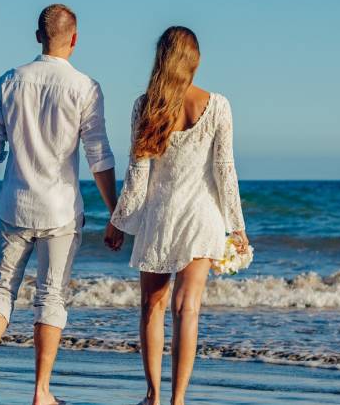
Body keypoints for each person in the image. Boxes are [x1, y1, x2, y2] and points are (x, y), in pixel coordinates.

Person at [0, 3, 124, 405]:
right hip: (60, 210)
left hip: (13, 204)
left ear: (38, 36)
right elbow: (99, 156)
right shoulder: (85, 87)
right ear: (74, 39)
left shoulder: (8, 81)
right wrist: (115, 212)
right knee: (51, 297)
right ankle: (41, 392)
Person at [109, 26, 249, 405]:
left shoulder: (146, 106)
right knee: (188, 309)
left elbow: (136, 175)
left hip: (160, 218)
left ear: (161, 59)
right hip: (202, 218)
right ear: (195, 61)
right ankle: (178, 400)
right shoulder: (217, 105)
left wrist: (119, 221)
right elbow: (225, 171)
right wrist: (237, 226)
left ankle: (153, 396)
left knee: (151, 307)